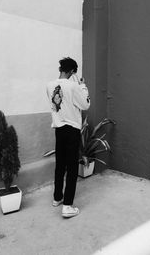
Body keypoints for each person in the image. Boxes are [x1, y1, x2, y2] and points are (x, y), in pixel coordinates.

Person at [46, 57, 90, 218]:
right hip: (72, 130)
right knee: (72, 168)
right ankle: (67, 206)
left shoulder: (49, 85)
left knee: (60, 165)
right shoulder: (74, 86)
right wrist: (83, 86)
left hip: (59, 129)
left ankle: (57, 198)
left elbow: (57, 105)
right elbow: (85, 105)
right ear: (72, 71)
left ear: (61, 69)